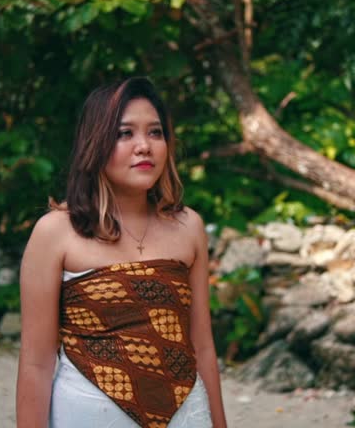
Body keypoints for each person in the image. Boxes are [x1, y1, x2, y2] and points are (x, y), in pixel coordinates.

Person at [15, 77, 227, 428]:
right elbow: (36, 363)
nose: (144, 146)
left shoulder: (188, 227)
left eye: (155, 132)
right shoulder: (55, 232)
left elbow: (202, 345)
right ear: (95, 144)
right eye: (125, 133)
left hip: (187, 414)